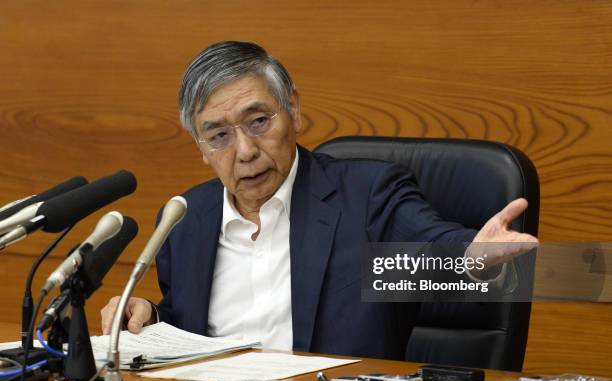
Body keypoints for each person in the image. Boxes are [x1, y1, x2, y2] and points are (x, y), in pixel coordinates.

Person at [101, 41, 538, 359]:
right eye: (219, 136)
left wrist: (472, 256)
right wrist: (152, 318)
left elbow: (433, 249)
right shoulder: (186, 220)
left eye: (257, 122)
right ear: (200, 146)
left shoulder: (367, 196)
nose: (246, 152)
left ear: (292, 110)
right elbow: (189, 330)